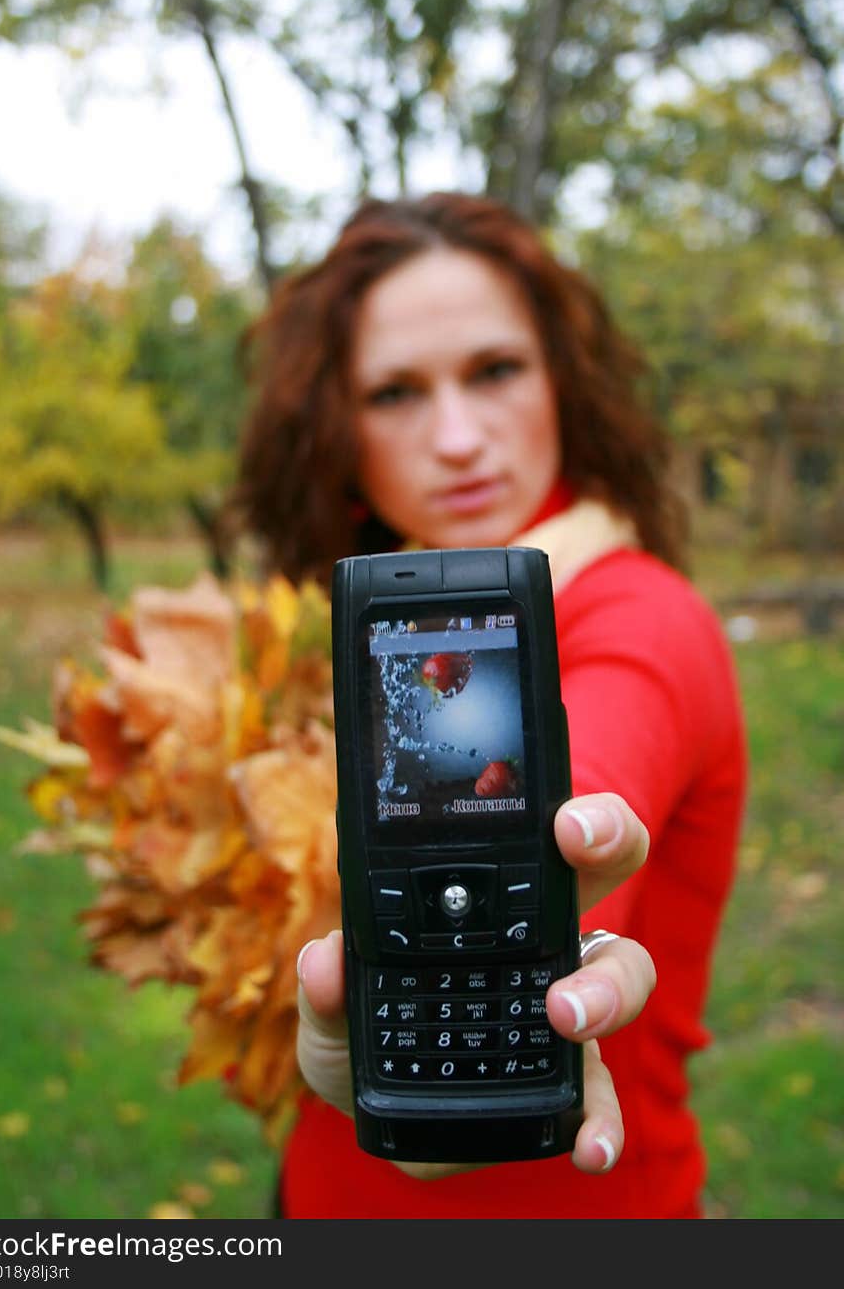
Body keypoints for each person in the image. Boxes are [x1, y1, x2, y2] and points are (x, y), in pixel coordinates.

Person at [229, 191, 748, 1218]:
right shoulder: (350, 619)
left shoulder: (639, 615)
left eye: (495, 370)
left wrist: (568, 844)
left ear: (563, 381)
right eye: (393, 392)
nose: (458, 438)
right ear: (333, 429)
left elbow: (591, 782)